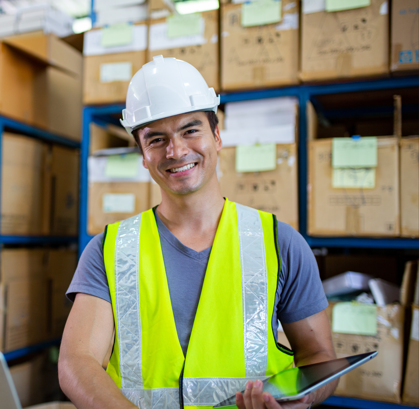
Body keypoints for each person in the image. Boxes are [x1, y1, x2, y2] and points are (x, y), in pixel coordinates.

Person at [58, 55, 337, 409]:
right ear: (143, 155)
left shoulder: (279, 242)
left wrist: (303, 399)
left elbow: (318, 356)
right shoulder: (109, 250)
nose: (176, 151)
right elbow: (76, 362)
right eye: (156, 139)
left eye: (190, 130)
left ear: (217, 136)